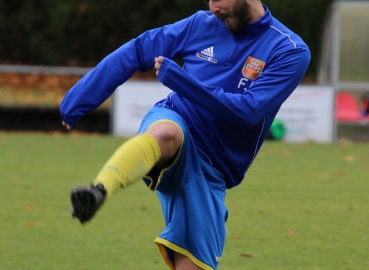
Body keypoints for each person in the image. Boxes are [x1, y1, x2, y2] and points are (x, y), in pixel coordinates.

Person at [60, 0, 310, 269]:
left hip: (212, 172)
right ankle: (99, 190)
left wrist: (182, 81)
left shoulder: (289, 50)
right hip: (177, 120)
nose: (212, 7)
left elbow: (248, 112)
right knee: (167, 133)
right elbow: (138, 49)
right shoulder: (200, 24)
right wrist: (79, 98)